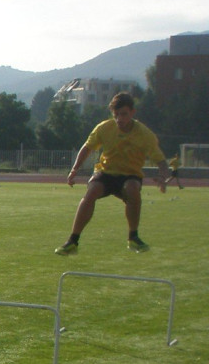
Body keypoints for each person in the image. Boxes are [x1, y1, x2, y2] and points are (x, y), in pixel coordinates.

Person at [56, 92, 169, 255]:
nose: (119, 119)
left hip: (130, 174)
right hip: (106, 172)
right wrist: (74, 170)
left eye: (124, 114)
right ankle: (73, 241)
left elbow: (161, 160)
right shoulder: (104, 128)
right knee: (91, 192)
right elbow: (87, 147)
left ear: (132, 113)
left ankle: (133, 237)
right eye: (116, 115)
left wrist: (163, 177)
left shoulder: (145, 134)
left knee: (132, 189)